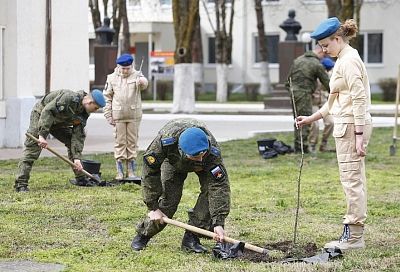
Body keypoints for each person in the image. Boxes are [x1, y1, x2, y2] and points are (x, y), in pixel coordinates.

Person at [296, 17, 373, 251]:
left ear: (338, 39)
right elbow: (335, 101)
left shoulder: (348, 61)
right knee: (351, 180)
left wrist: (359, 135)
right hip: (347, 124)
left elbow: (359, 99)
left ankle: (354, 237)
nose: (322, 50)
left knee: (352, 181)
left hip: (351, 126)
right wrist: (311, 118)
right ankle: (353, 233)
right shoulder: (342, 59)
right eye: (320, 46)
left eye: (325, 45)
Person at [131, 118, 230, 253]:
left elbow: (219, 186)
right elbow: (150, 171)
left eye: (202, 154)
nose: (200, 159)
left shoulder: (211, 152)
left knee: (209, 193)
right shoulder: (165, 141)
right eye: (196, 156)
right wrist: (152, 206)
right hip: (172, 161)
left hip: (204, 165)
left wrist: (218, 222)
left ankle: (191, 238)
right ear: (182, 150)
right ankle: (143, 235)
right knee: (169, 200)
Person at [14, 89, 106, 192]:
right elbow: (48, 111)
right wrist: (42, 135)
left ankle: (81, 178)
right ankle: (21, 184)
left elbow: (78, 136)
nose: (95, 110)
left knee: (72, 142)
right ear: (90, 102)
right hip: (41, 115)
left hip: (58, 123)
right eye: (95, 108)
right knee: (33, 148)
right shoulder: (69, 98)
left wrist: (76, 158)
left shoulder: (84, 113)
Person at [103, 53, 148, 180]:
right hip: (118, 116)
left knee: (132, 142)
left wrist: (142, 82)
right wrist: (108, 115)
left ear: (131, 66)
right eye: (123, 68)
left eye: (128, 68)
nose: (126, 71)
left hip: (134, 115)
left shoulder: (137, 75)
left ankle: (131, 171)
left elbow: (145, 84)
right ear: (118, 66)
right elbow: (107, 97)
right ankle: (120, 171)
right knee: (120, 142)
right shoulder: (111, 78)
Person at [286, 45, 330, 153]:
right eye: (323, 54)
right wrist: (338, 94)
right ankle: (302, 148)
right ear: (319, 51)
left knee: (297, 119)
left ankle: (298, 146)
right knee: (305, 121)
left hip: (293, 93)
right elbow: (327, 83)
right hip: (304, 94)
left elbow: (288, 80)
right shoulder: (316, 64)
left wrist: (292, 90)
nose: (323, 57)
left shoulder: (298, 60)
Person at [309, 57, 335, 153]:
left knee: (330, 122)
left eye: (329, 69)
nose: (328, 71)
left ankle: (324, 144)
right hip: (313, 102)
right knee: (314, 124)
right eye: (326, 69)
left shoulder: (328, 76)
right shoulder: (313, 75)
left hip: (324, 102)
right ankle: (312, 145)